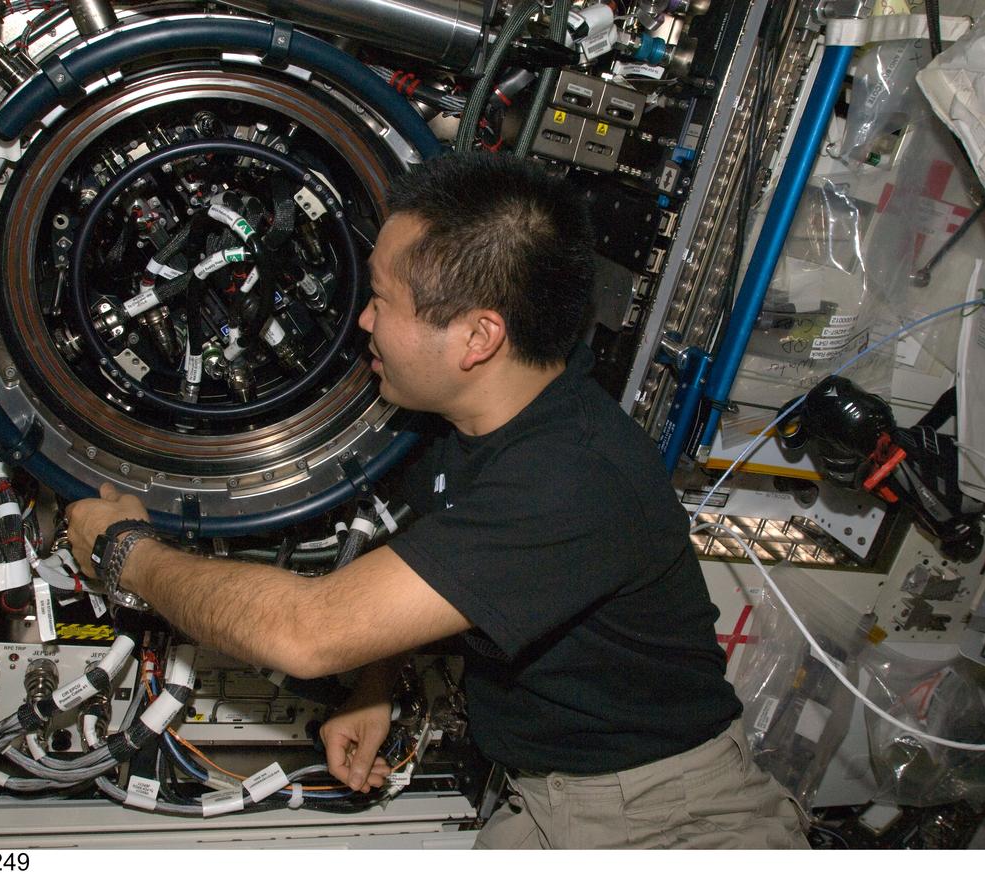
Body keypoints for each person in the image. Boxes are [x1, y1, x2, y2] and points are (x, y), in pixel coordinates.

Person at [67, 151, 808, 849]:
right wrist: (374, 681)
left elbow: (306, 631)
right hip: (551, 802)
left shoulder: (572, 478)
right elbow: (432, 573)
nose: (363, 320)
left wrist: (125, 553)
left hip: (669, 824)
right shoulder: (465, 425)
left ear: (478, 337)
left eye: (384, 299)